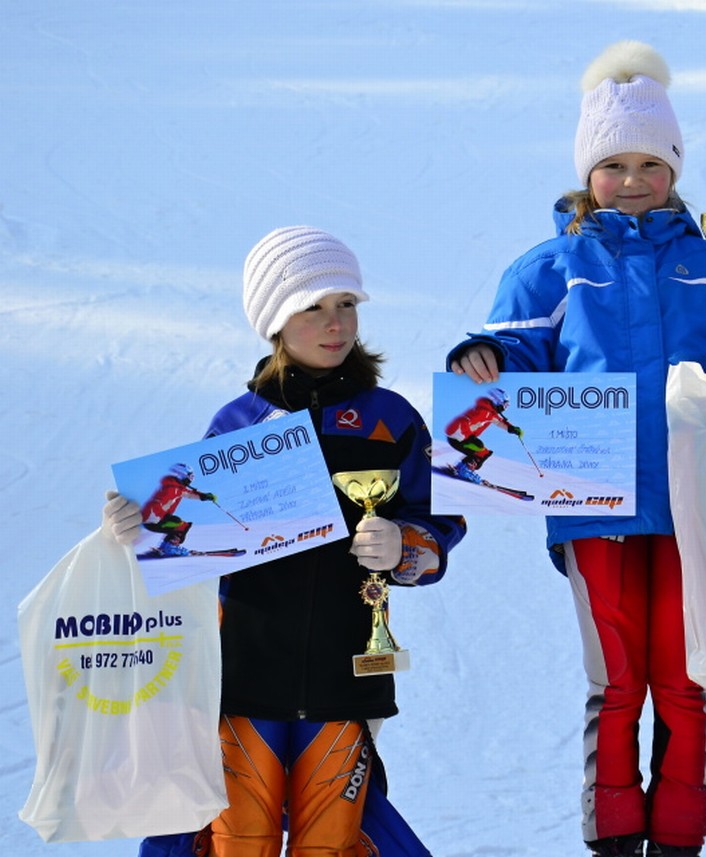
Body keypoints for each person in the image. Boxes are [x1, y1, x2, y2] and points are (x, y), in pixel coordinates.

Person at [446, 40, 706, 857]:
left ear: (674, 168)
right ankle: (613, 831)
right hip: (593, 503)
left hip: (694, 503)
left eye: (649, 164)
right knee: (618, 677)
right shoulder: (550, 267)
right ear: (585, 172)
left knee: (684, 675)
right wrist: (481, 358)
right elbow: (512, 356)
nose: (632, 181)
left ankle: (679, 835)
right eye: (613, 165)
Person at [101, 225, 467, 857]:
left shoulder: (390, 417)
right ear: (274, 320)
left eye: (346, 304)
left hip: (347, 674)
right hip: (243, 676)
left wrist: (405, 545)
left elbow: (442, 517)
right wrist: (137, 528)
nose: (336, 323)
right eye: (312, 307)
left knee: (332, 841)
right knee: (239, 838)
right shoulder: (239, 423)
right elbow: (186, 530)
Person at [442, 386, 522, 484]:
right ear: (497, 401)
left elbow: (499, 421)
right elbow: (463, 421)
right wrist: (467, 439)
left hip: (461, 437)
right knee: (479, 449)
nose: (505, 408)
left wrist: (512, 428)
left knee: (484, 453)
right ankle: (464, 471)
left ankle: (460, 468)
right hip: (457, 437)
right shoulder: (482, 412)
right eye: (505, 405)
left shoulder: (490, 412)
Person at [137, 462, 217, 557]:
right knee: (179, 524)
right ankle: (171, 548)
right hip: (152, 520)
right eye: (190, 476)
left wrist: (204, 496)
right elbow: (154, 505)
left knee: (181, 525)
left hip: (153, 519)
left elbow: (189, 494)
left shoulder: (176, 487)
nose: (191, 480)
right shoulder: (171, 489)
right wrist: (160, 520)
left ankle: (164, 547)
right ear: (183, 475)